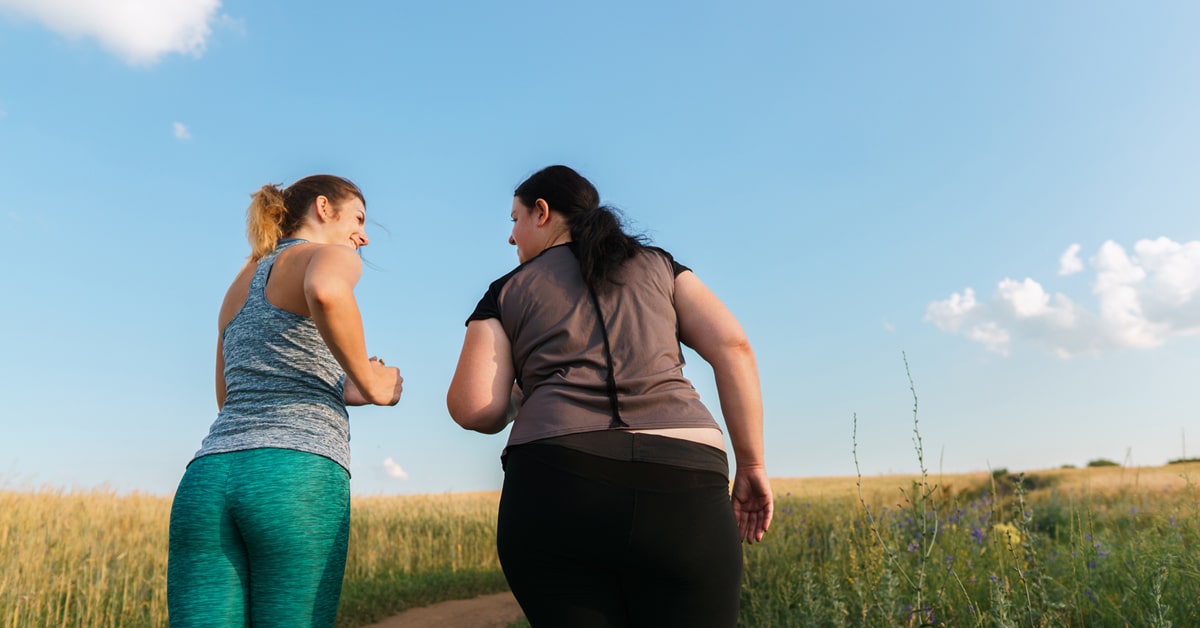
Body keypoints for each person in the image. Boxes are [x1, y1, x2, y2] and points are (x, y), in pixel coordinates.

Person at [447, 164, 772, 627]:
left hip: (556, 483)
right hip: (684, 481)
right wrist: (753, 464)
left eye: (514, 219)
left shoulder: (504, 292)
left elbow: (473, 407)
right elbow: (734, 347)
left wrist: (525, 396)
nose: (511, 237)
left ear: (542, 213)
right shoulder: (662, 265)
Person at [168, 174, 404, 626]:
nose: (363, 235)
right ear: (322, 208)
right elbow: (327, 290)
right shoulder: (330, 255)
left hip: (207, 479)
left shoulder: (239, 282)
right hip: (293, 476)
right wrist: (374, 385)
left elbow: (229, 395)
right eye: (358, 218)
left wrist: (341, 382)